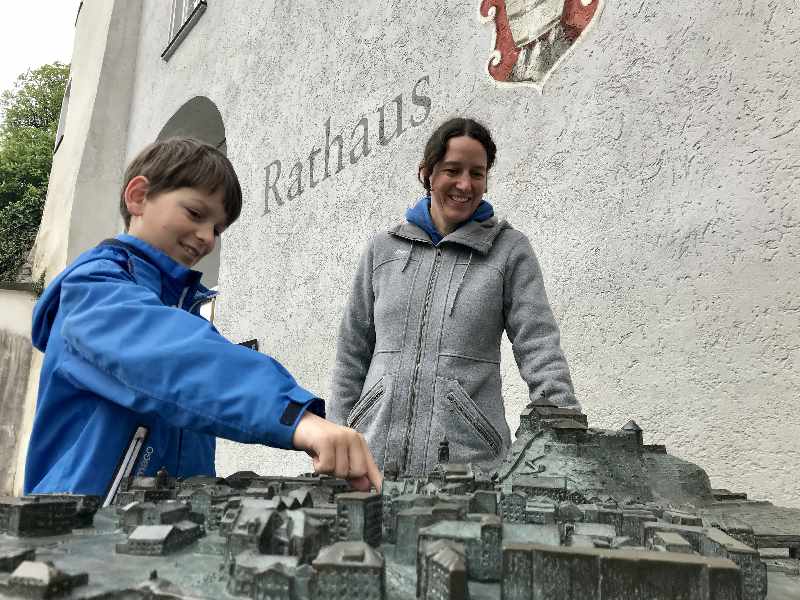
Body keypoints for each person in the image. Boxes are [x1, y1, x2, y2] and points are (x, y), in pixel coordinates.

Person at [25, 137, 381, 496]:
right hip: (79, 532)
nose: (206, 238)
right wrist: (297, 418)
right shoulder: (92, 290)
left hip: (153, 533)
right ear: (138, 197)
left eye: (217, 229)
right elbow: (173, 356)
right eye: (196, 214)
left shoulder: (183, 308)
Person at [330, 117, 577, 478]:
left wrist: (564, 434)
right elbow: (352, 350)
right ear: (428, 174)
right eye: (452, 170)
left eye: (477, 173)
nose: (465, 184)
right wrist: (337, 438)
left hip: (469, 468)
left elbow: (539, 344)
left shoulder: (509, 251)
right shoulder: (382, 249)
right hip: (374, 460)